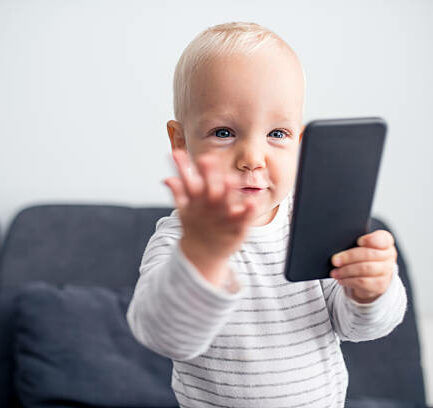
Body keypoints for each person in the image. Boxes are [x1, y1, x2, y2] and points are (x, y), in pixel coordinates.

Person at [126, 21, 407, 408]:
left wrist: (371, 291)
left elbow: (357, 328)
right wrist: (203, 259)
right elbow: (164, 336)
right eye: (224, 132)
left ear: (300, 145)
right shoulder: (182, 239)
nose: (253, 159)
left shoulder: (312, 223)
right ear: (181, 143)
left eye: (277, 134)